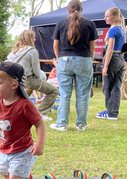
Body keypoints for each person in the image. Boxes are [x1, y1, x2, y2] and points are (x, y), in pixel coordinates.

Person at [50, 0, 99, 131]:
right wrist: (90, 60)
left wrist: (60, 58)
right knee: (83, 94)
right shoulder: (90, 24)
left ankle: (62, 124)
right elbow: (92, 47)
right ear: (82, 10)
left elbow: (55, 45)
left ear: (68, 11)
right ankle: (81, 124)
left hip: (64, 60)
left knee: (65, 94)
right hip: (84, 60)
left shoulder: (61, 23)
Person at [7, 30, 59, 121]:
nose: (35, 39)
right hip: (28, 80)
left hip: (13, 81)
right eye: (33, 37)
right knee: (54, 91)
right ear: (29, 39)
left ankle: (14, 113)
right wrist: (40, 80)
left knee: (24, 94)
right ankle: (40, 113)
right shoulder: (32, 50)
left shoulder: (13, 51)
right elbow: (36, 71)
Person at [96, 7, 126, 120]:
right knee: (116, 87)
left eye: (107, 16)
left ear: (115, 17)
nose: (105, 18)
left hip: (113, 58)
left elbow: (109, 49)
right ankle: (112, 112)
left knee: (107, 87)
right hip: (121, 58)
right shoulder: (122, 29)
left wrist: (105, 67)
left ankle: (110, 112)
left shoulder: (113, 30)